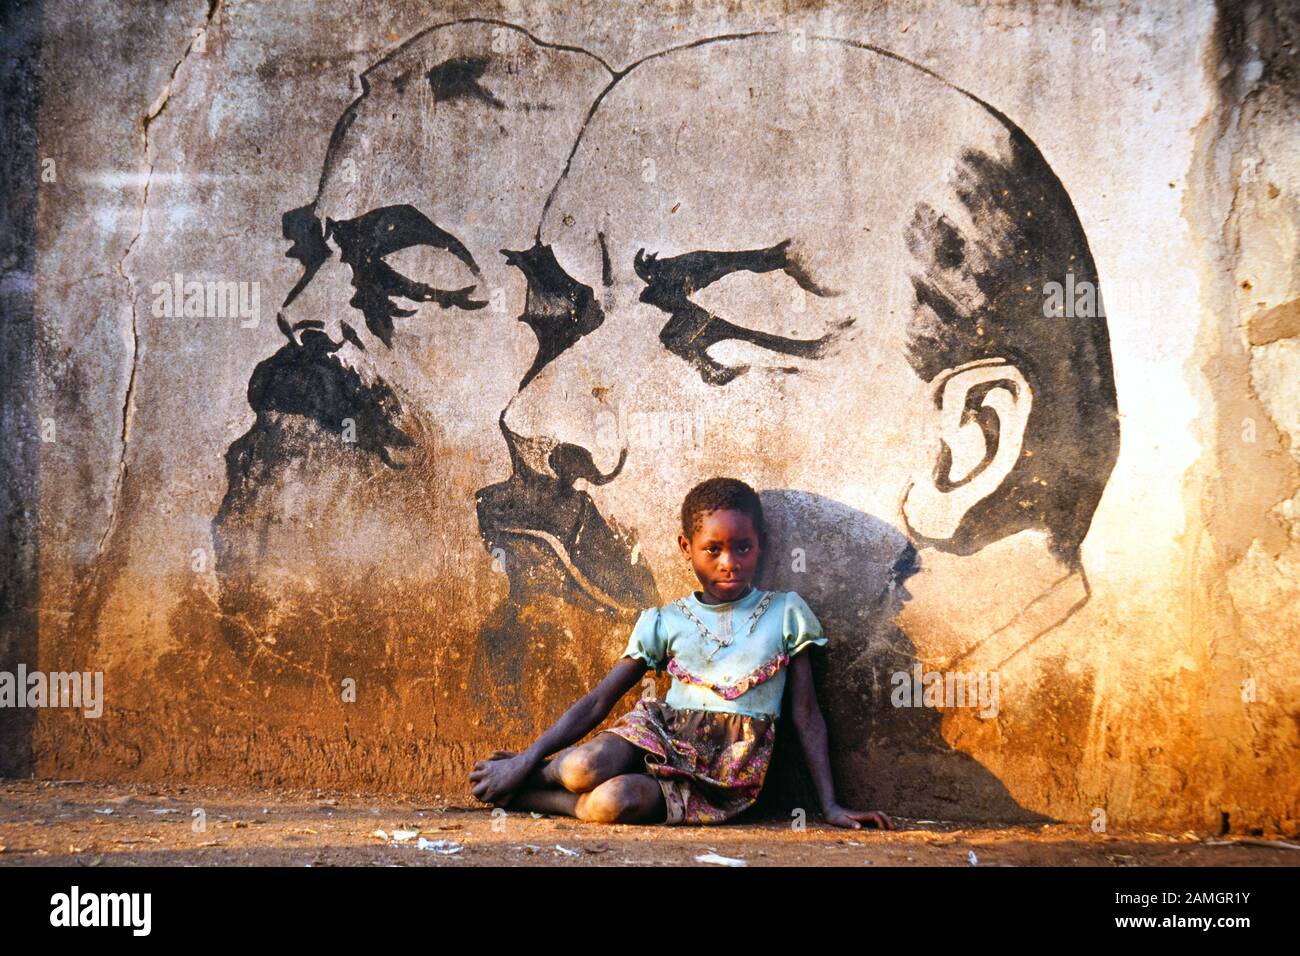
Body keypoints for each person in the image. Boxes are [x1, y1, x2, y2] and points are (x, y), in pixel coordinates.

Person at [470, 476, 895, 829]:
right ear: (686, 547)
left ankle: (529, 795)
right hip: (660, 734)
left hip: (722, 773)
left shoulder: (786, 613)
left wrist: (831, 805)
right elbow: (601, 698)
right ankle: (526, 769)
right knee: (584, 767)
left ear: (760, 545)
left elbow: (807, 714)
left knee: (610, 804)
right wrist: (527, 756)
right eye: (713, 549)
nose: (729, 562)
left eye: (742, 547)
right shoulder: (665, 620)